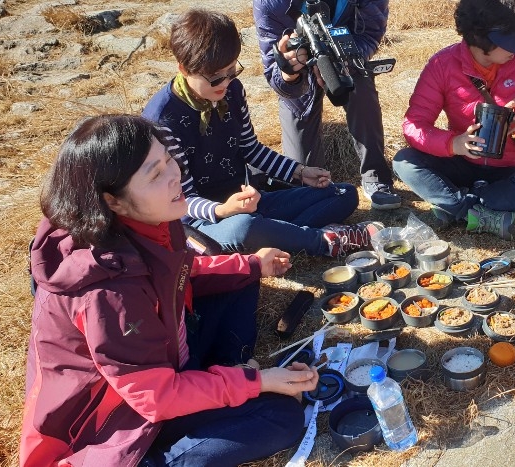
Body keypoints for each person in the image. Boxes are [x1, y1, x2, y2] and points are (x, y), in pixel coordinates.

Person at [20, 115, 320, 466]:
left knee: (240, 277)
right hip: (118, 426)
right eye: (155, 173)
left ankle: (226, 375)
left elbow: (180, 271)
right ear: (112, 200)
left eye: (168, 159)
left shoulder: (148, 221)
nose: (174, 174)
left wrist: (253, 264)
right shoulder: (107, 293)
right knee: (280, 418)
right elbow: (155, 397)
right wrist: (257, 381)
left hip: (164, 361)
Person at [143, 9, 380, 258]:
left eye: (232, 71)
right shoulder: (162, 120)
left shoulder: (233, 90)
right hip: (206, 221)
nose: (225, 83)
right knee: (244, 228)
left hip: (249, 201)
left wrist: (299, 172)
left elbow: (250, 148)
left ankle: (278, 235)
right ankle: (323, 241)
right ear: (184, 69)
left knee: (344, 194)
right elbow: (182, 200)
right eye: (215, 78)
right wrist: (223, 210)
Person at [391, 0, 515, 240]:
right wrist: (453, 144)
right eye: (510, 38)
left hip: (513, 169)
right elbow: (414, 125)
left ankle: (456, 205)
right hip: (461, 162)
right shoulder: (442, 65)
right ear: (482, 38)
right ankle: (478, 211)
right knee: (404, 161)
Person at [253, 0, 401, 210]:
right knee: (305, 181)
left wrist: (341, 61)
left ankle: (376, 175)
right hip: (299, 77)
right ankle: (313, 181)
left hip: (347, 60)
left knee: (360, 85)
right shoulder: (270, 4)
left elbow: (370, 34)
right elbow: (275, 76)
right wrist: (289, 72)